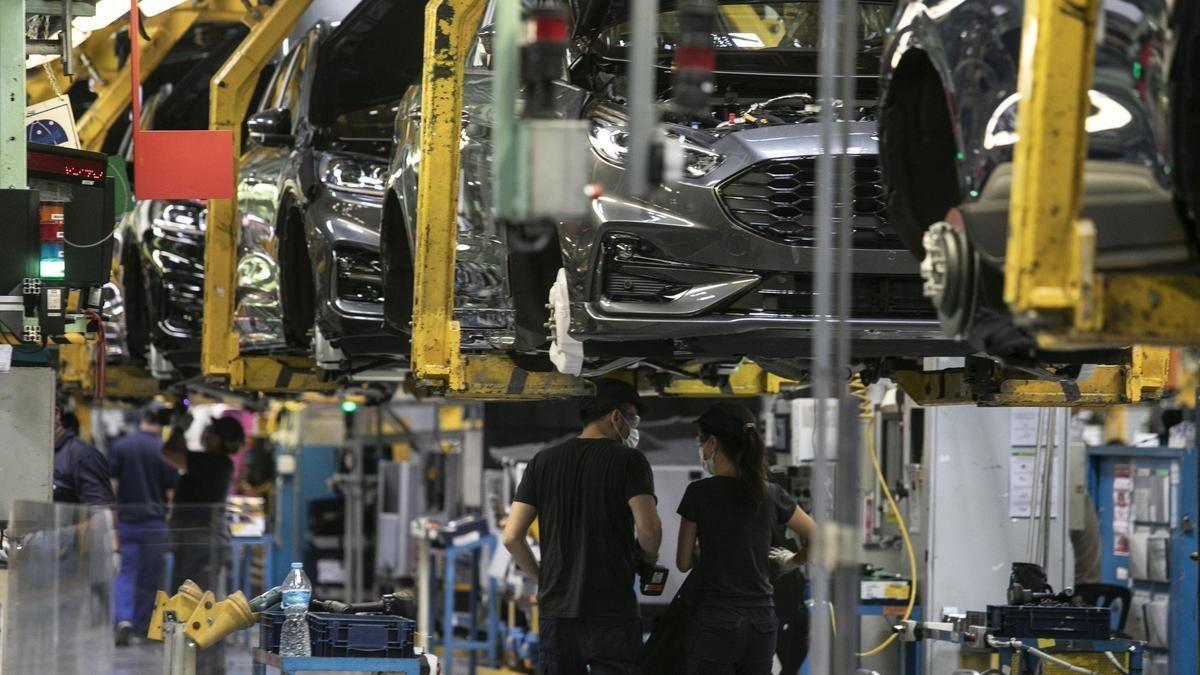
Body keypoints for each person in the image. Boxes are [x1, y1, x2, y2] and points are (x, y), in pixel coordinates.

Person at [503, 379, 662, 675]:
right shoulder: (629, 461)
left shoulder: (543, 461)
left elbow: (512, 537)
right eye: (633, 419)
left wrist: (544, 578)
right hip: (612, 610)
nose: (633, 428)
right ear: (616, 416)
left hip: (558, 611)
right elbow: (650, 530)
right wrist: (646, 561)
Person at [675, 402, 815, 675]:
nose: (701, 449)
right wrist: (793, 560)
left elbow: (682, 562)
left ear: (713, 443)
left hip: (716, 621)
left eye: (700, 442)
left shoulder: (699, 493)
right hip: (762, 622)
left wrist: (710, 553)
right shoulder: (772, 493)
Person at [109, 402, 179, 645]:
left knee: (125, 573)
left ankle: (123, 621)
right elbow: (170, 494)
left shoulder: (121, 446)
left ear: (141, 418)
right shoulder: (166, 451)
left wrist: (113, 522)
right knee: (150, 577)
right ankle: (141, 626)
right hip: (155, 523)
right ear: (161, 422)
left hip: (127, 522)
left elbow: (113, 488)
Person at [164, 414, 246, 590]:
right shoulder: (214, 462)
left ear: (220, 439)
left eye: (211, 432)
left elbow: (170, 453)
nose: (206, 434)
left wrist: (179, 430)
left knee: (195, 594)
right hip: (197, 539)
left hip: (200, 541)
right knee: (187, 592)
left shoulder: (216, 462)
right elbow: (183, 455)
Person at [53, 400, 115, 507]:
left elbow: (105, 514)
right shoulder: (37, 454)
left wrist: (69, 525)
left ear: (55, 414)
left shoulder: (83, 456)